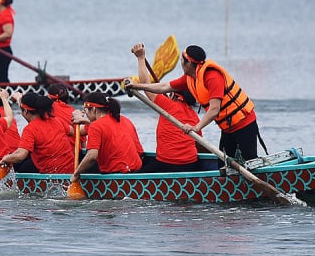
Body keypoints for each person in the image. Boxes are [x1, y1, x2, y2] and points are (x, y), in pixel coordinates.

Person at [127, 43, 261, 162]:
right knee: (224, 165)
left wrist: (196, 128)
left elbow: (214, 110)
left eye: (181, 60)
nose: (180, 63)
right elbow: (164, 86)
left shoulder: (212, 76)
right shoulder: (189, 79)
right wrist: (138, 87)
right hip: (227, 128)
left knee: (250, 163)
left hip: (244, 124)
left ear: (189, 63)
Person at [130, 43, 205, 173]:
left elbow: (146, 87)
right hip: (190, 164)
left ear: (174, 95)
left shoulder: (168, 105)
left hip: (167, 164)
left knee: (138, 173)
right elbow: (199, 144)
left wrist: (141, 58)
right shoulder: (194, 116)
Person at [69, 93, 143, 187]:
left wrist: (76, 174)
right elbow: (140, 151)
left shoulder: (96, 126)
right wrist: (80, 119)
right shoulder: (124, 120)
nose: (85, 114)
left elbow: (92, 157)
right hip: (137, 170)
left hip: (117, 175)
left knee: (86, 165)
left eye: (86, 110)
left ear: (94, 109)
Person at [0, 92, 76, 173]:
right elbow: (71, 131)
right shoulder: (56, 120)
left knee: (20, 165)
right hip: (71, 170)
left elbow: (20, 156)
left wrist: (5, 159)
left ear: (25, 111)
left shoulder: (30, 129)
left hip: (52, 177)